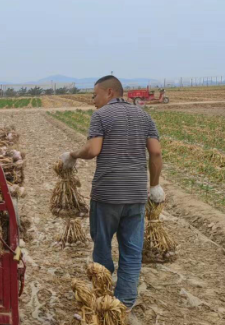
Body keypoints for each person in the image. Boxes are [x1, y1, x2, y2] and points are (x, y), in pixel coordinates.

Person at [60, 75, 164, 309]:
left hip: (107, 194)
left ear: (109, 92)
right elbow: (156, 153)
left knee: (103, 245)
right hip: (137, 194)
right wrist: (154, 185)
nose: (93, 101)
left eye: (95, 95)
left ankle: (103, 295)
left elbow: (93, 149)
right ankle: (124, 302)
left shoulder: (101, 115)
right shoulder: (144, 116)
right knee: (132, 250)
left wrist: (73, 155)